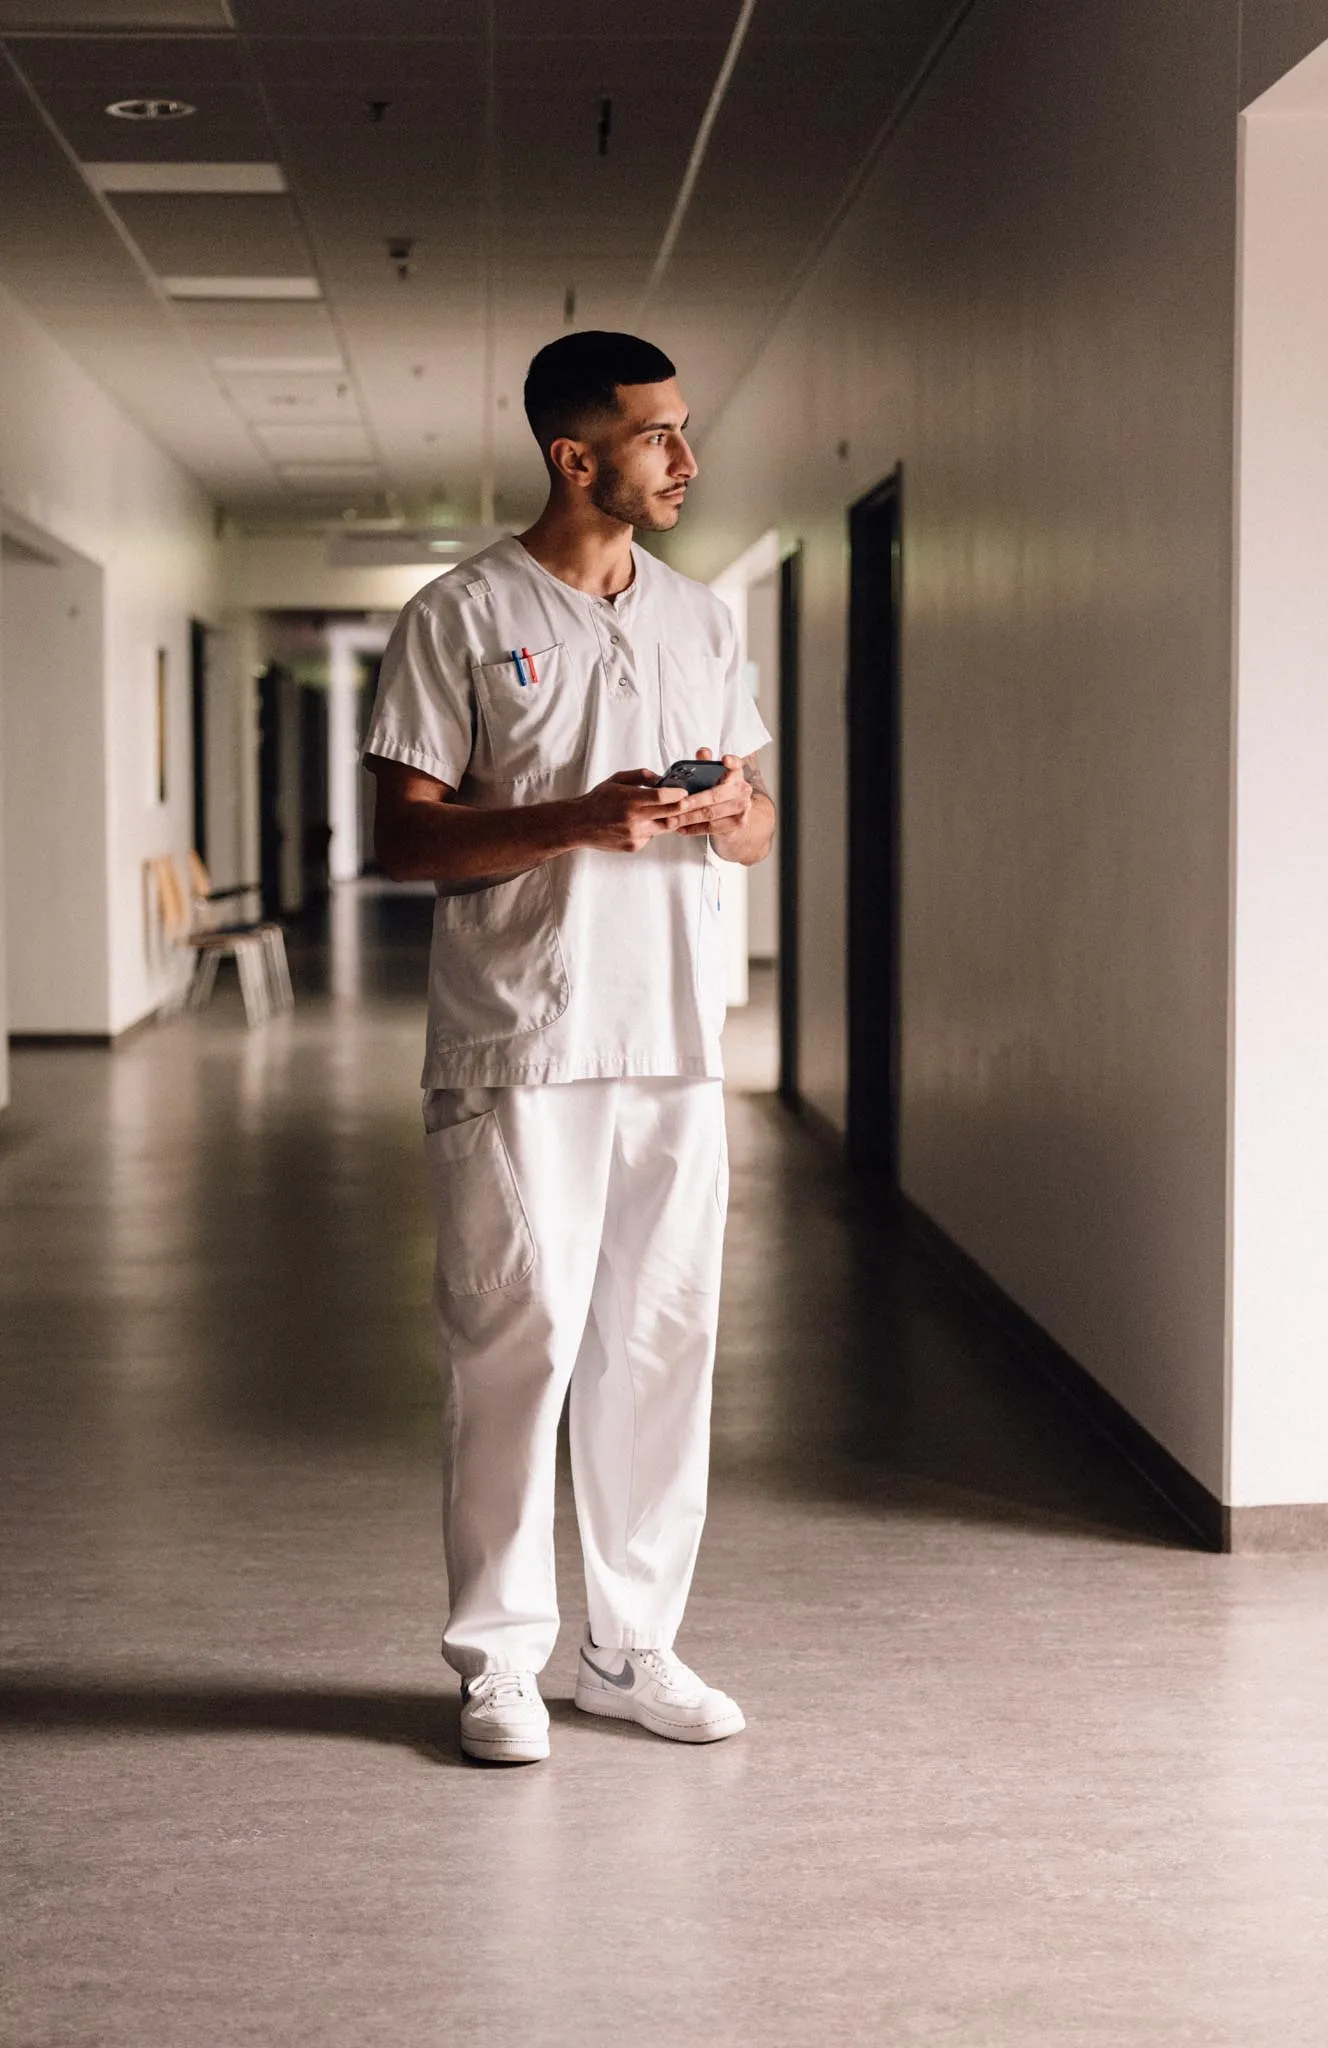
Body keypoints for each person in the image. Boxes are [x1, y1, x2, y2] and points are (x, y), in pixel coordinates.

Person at [364, 331, 774, 1765]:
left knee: (662, 1344)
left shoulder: (701, 621)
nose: (687, 459)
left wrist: (728, 811)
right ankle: (498, 1662)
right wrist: (578, 821)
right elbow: (404, 838)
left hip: (675, 1038)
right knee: (516, 1348)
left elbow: (758, 823)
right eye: (660, 435)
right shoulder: (461, 615)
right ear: (575, 456)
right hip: (519, 1039)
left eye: (684, 430)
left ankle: (631, 1646)